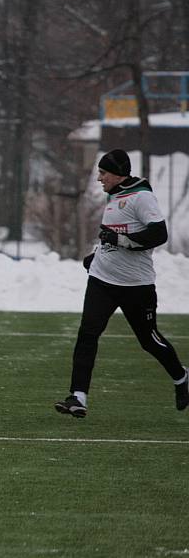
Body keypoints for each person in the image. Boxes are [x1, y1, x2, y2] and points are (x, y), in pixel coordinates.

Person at [55, 149, 186, 418]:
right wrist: (96, 254)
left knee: (149, 340)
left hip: (136, 285)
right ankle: (77, 397)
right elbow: (112, 234)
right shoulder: (114, 196)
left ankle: (182, 377)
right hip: (102, 280)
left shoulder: (142, 197)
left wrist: (121, 241)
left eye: (103, 173)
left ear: (117, 173)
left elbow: (158, 234)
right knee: (87, 334)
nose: (100, 179)